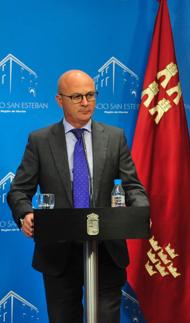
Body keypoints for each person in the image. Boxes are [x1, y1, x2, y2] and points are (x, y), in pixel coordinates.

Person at [8, 70, 149, 323]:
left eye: (91, 95)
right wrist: (25, 214)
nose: (86, 102)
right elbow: (19, 190)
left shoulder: (114, 138)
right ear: (59, 100)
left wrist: (140, 214)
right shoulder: (40, 141)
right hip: (59, 254)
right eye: (77, 97)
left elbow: (133, 187)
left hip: (107, 250)